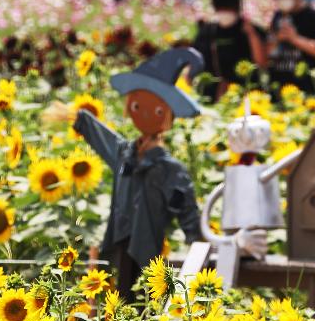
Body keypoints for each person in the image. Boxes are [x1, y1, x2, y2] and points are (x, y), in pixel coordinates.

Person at [43, 48, 205, 302]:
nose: (147, 115)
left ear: (169, 118)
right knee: (114, 300)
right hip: (117, 240)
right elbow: (103, 138)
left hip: (147, 247)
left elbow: (185, 208)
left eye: (158, 111)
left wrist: (198, 245)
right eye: (138, 105)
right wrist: (80, 118)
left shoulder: (168, 169)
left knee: (141, 300)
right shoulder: (125, 153)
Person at [192, 0, 266, 102]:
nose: (225, 12)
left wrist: (252, 35)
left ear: (237, 7)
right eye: (221, 8)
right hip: (213, 98)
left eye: (228, 7)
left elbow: (261, 63)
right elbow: (194, 65)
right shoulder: (208, 31)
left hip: (250, 98)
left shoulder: (251, 30)